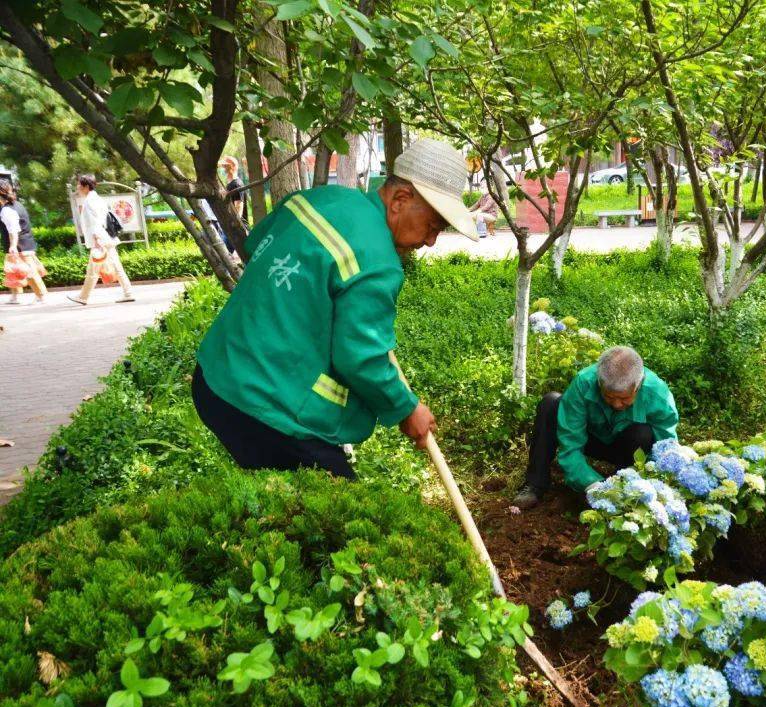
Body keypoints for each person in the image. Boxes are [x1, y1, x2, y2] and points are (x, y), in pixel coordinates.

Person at [192, 138, 479, 478]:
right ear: (401, 199)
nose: (430, 241)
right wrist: (406, 409)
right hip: (261, 404)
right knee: (334, 514)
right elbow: (361, 356)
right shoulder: (378, 262)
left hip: (213, 376)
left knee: (284, 506)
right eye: (432, 227)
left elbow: (256, 245)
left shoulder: (317, 200)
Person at [513, 345, 679, 510]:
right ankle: (535, 484)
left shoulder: (658, 396)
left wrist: (656, 487)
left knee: (643, 433)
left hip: (627, 448)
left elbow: (666, 449)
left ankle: (624, 484)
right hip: (590, 440)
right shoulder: (584, 382)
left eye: (624, 398)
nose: (616, 404)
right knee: (550, 403)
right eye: (608, 396)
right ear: (599, 383)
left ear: (638, 386)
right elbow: (570, 444)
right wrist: (591, 484)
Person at [68, 174, 135, 305]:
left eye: (79, 185)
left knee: (93, 270)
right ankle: (128, 293)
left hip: (100, 239)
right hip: (105, 239)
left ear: (86, 187)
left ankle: (83, 297)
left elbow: (96, 221)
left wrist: (97, 238)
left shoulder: (90, 201)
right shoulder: (95, 199)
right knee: (115, 267)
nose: (77, 187)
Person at [1, 179, 47, 305]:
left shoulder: (7, 210)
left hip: (20, 245)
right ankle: (15, 296)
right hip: (24, 243)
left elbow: (13, 230)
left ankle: (41, 296)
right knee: (11, 271)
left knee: (30, 272)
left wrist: (13, 246)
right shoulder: (17, 204)